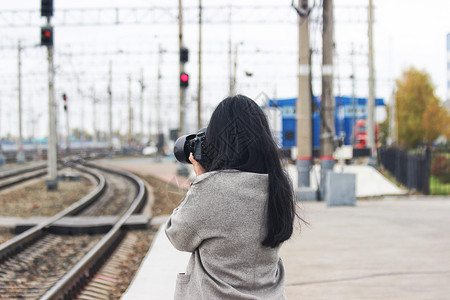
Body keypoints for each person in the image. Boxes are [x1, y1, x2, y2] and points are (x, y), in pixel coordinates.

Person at [165, 94, 302, 299]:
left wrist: (202, 181)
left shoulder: (211, 189)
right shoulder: (278, 184)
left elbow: (178, 236)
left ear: (217, 142)